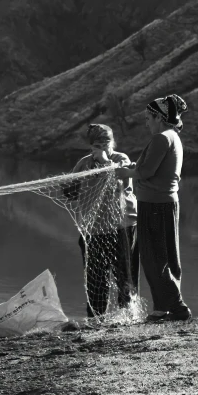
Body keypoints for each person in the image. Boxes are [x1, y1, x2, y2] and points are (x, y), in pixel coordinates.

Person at [128, 94, 192, 323]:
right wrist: (136, 168)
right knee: (167, 257)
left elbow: (146, 172)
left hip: (154, 204)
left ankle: (176, 306)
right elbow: (151, 168)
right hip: (166, 203)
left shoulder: (161, 138)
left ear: (159, 117)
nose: (146, 123)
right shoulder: (173, 137)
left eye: (148, 118)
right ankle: (163, 307)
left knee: (153, 258)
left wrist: (125, 173)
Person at [70, 123, 138, 317]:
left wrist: (105, 160)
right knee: (95, 279)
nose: (103, 146)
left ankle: (128, 317)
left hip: (121, 226)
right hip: (93, 230)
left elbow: (121, 182)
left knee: (124, 276)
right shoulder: (84, 163)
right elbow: (70, 192)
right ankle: (96, 319)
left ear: (113, 142)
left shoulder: (120, 159)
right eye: (98, 143)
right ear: (91, 145)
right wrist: (73, 182)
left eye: (106, 142)